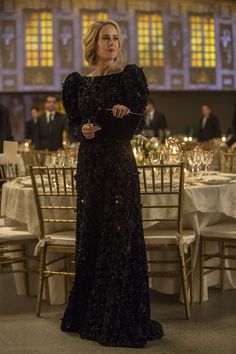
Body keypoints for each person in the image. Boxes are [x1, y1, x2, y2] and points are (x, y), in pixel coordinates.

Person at [60, 19, 163, 347]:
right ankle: (91, 313)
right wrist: (83, 132)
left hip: (119, 166)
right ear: (94, 43)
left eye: (116, 38)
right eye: (106, 38)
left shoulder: (130, 75)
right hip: (90, 167)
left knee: (120, 236)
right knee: (91, 234)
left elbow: (138, 123)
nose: (112, 43)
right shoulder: (78, 83)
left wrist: (125, 111)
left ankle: (118, 315)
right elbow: (72, 126)